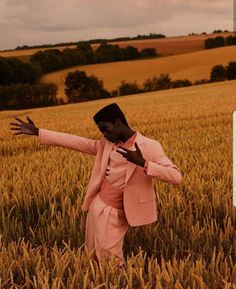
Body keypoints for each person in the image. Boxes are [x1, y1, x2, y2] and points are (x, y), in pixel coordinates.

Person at [9, 102, 183, 269]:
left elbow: (176, 176)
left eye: (105, 129)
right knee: (93, 256)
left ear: (118, 122)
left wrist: (144, 163)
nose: (104, 135)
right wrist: (39, 132)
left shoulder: (150, 146)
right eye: (101, 131)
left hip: (118, 212)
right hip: (97, 205)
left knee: (112, 262)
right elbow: (76, 142)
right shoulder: (106, 144)